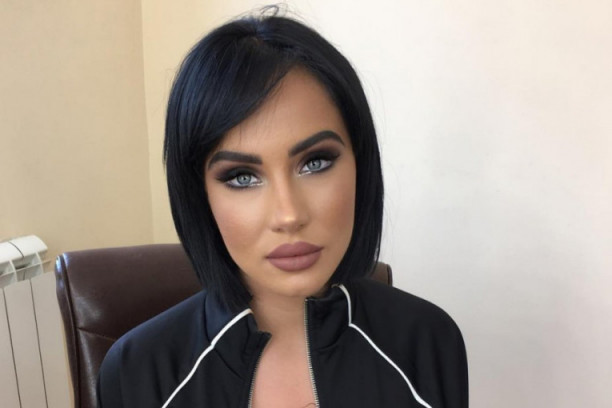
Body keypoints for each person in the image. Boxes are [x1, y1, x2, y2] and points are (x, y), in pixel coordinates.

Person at [97, 9, 468, 408]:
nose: (289, 215)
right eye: (242, 177)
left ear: (360, 165)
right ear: (199, 195)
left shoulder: (428, 342)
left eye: (316, 162)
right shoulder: (136, 373)